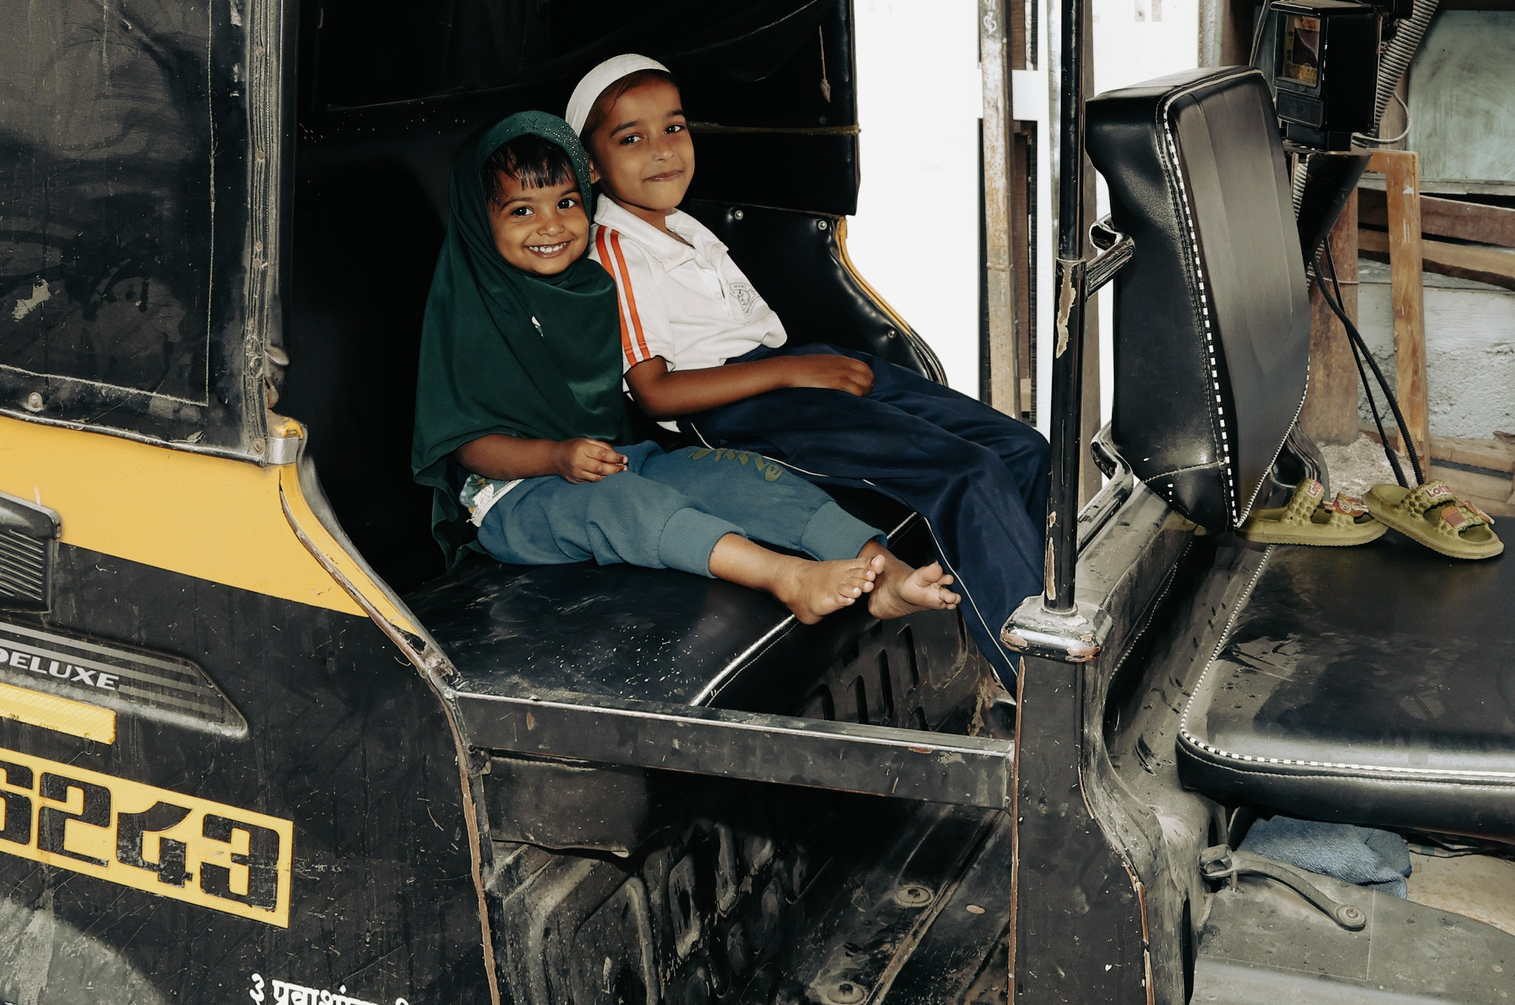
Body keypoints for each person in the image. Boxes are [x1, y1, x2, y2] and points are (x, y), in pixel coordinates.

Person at [564, 54, 1051, 689]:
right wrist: (790, 375)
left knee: (1021, 446)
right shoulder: (616, 249)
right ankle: (1042, 695)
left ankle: (1022, 637)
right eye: (631, 138)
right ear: (593, 165)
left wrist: (803, 366)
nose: (661, 151)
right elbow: (656, 393)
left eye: (674, 128)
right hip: (737, 408)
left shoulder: (683, 227)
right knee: (968, 474)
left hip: (780, 371)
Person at [411, 110, 961, 626]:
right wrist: (554, 457)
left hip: (610, 461)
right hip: (516, 496)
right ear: (480, 222)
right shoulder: (472, 308)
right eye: (522, 210)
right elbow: (468, 446)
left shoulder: (590, 287)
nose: (551, 226)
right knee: (624, 504)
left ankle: (884, 573)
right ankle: (786, 577)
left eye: (567, 202)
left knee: (734, 472)